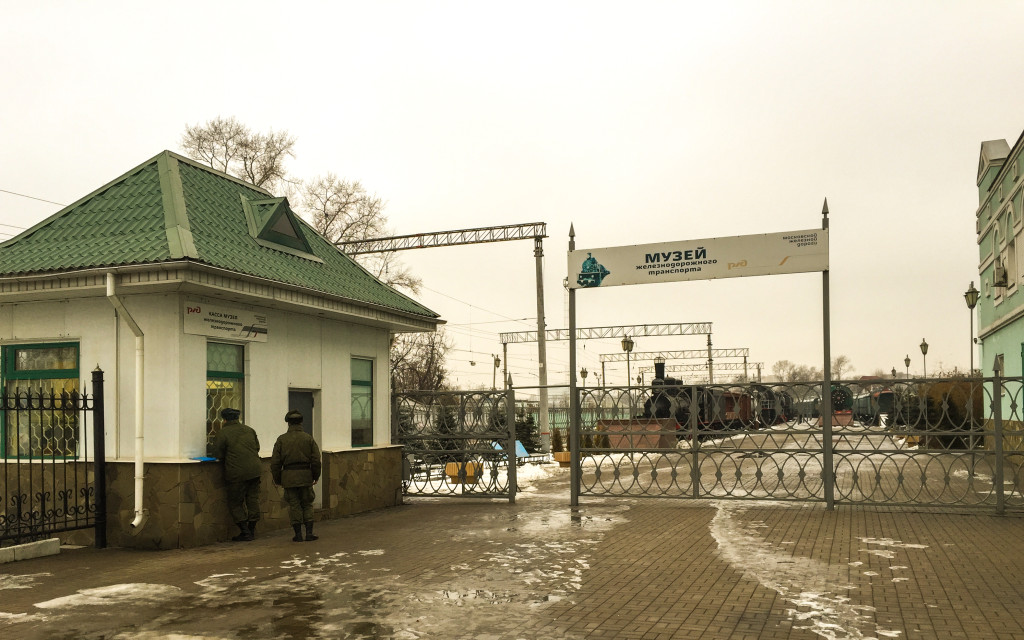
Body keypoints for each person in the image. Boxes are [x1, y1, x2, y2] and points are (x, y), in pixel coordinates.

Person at [210, 407, 262, 542]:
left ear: (224, 419)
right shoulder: (249, 430)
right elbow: (257, 447)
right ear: (238, 418)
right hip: (255, 470)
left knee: (235, 502)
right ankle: (252, 529)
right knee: (252, 499)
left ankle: (245, 531)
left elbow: (217, 454)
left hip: (237, 473)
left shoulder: (223, 433)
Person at [270, 410, 322, 542]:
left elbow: (275, 462)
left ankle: (298, 534)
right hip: (306, 476)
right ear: (301, 422)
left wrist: (278, 479)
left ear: (288, 423)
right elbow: (316, 459)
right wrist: (315, 476)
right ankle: (309, 533)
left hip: (289, 477)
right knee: (307, 504)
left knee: (294, 505)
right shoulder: (308, 438)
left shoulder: (281, 439)